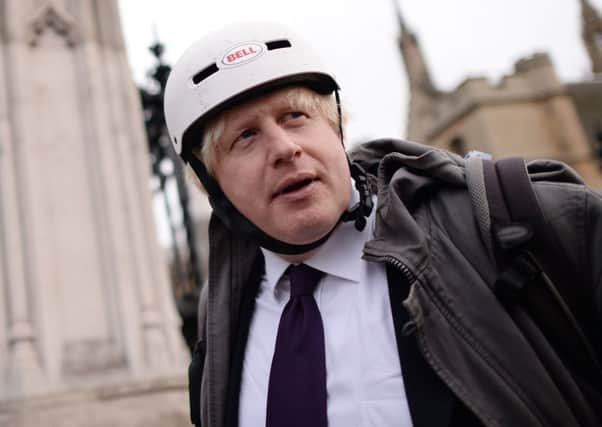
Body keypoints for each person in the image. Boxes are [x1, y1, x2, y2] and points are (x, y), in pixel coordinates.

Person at [163, 21, 602, 427]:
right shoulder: (220, 317)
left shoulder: (509, 220)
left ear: (337, 128)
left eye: (295, 117)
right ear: (209, 183)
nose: (285, 148)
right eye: (246, 136)